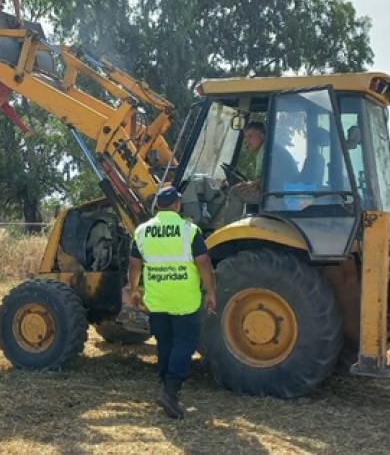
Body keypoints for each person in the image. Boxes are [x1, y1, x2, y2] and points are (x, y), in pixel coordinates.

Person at [127, 186, 217, 419]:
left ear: (157, 206)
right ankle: (171, 391)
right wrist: (210, 292)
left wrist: (134, 290)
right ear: (177, 205)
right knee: (184, 343)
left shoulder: (142, 231)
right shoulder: (189, 230)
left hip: (157, 300)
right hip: (184, 300)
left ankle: (164, 384)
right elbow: (204, 263)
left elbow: (134, 265)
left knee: (164, 342)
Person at [219, 120, 298, 225]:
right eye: (246, 137)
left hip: (281, 196)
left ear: (262, 135)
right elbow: (265, 178)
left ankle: (227, 230)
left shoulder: (271, 152)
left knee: (235, 192)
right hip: (278, 194)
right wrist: (250, 183)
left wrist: (255, 184)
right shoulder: (267, 150)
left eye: (250, 136)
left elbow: (276, 179)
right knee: (240, 188)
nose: (246, 141)